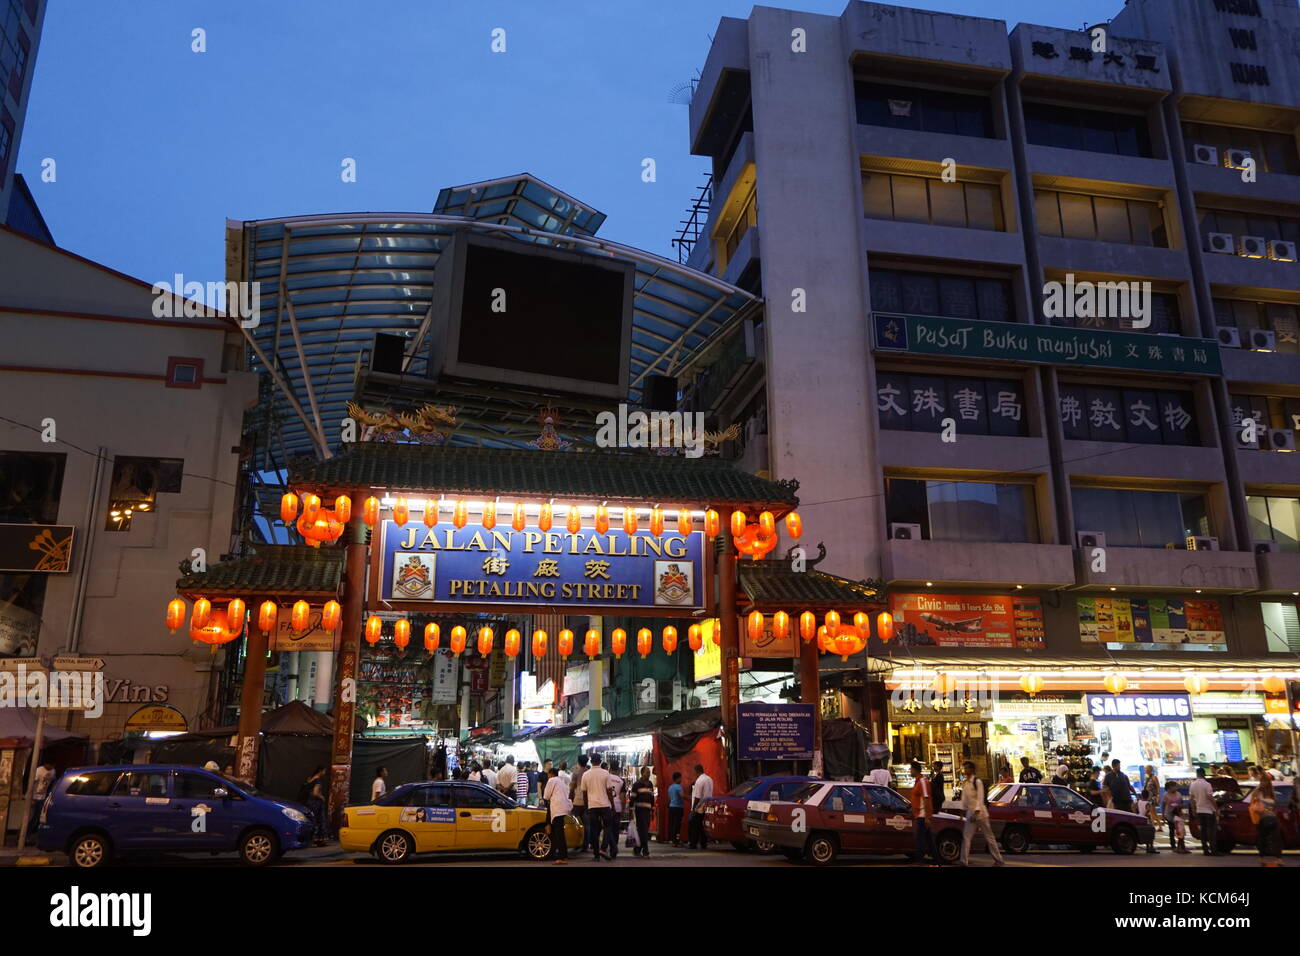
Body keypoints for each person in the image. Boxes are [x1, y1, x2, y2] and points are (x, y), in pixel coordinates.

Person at [958, 762, 1005, 867]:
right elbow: (964, 799)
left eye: (966, 768)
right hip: (970, 813)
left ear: (972, 769)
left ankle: (998, 859)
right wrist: (962, 811)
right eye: (964, 768)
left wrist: (977, 812)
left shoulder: (977, 781)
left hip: (981, 814)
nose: (965, 770)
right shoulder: (965, 783)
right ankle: (963, 861)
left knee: (989, 837)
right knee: (966, 837)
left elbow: (980, 798)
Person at [580, 758, 615, 861]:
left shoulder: (586, 775)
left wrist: (586, 806)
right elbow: (609, 791)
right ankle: (603, 848)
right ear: (600, 761)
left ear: (591, 762)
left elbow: (584, 793)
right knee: (607, 827)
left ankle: (596, 855)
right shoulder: (605, 773)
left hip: (592, 805)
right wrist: (612, 804)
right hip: (604, 804)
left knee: (594, 830)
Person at [1249, 774, 1283, 866]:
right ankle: (1277, 859)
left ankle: (1262, 858)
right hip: (1269, 818)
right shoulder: (1269, 792)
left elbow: (1252, 804)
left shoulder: (1259, 792)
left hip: (1265, 818)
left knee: (1264, 838)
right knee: (1274, 839)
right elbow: (1275, 805)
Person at [542, 767, 572, 864]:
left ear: (550, 774)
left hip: (557, 809)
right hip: (563, 809)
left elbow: (546, 796)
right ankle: (564, 856)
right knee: (561, 834)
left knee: (558, 834)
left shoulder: (552, 780)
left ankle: (561, 857)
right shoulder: (561, 781)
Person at [908, 762, 936, 864]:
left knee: (919, 839)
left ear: (915, 769)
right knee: (928, 839)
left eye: (911, 769)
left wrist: (927, 817)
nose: (910, 771)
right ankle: (936, 858)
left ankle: (919, 860)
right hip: (919, 815)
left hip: (922, 816)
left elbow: (926, 798)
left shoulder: (923, 781)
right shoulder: (918, 781)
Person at [1189, 767, 1218, 856]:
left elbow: (1191, 799)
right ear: (1204, 774)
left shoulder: (1193, 785)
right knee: (1211, 831)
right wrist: (1216, 808)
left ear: (1197, 774)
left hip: (1199, 810)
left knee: (1203, 831)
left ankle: (1205, 850)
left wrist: (1194, 810)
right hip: (1208, 810)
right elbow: (1210, 797)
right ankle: (1213, 850)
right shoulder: (1207, 784)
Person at [629, 767, 655, 858]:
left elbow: (652, 798)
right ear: (642, 773)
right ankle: (645, 851)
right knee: (643, 830)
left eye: (649, 773)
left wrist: (652, 809)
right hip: (640, 810)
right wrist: (631, 811)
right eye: (647, 772)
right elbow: (632, 798)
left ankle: (637, 849)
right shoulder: (637, 784)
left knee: (643, 830)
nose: (649, 774)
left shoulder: (650, 784)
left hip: (647, 810)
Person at [300, 766, 328, 845]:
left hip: (308, 802)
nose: (324, 773)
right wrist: (321, 797)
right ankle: (318, 840)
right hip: (316, 803)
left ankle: (308, 838)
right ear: (320, 771)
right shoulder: (317, 781)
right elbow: (315, 793)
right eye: (324, 771)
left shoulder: (310, 779)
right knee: (318, 820)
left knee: (311, 820)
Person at [688, 763, 714, 850]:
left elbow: (697, 797)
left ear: (696, 771)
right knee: (701, 826)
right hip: (707, 805)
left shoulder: (699, 781)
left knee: (695, 826)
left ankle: (693, 844)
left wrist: (693, 809)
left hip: (699, 807)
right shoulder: (709, 779)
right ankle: (703, 843)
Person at [26, 761, 54, 837]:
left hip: (43, 796)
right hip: (35, 796)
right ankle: (24, 835)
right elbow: (32, 783)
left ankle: (30, 834)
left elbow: (52, 782)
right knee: (31, 818)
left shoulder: (53, 771)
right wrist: (31, 797)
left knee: (38, 817)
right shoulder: (39, 770)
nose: (50, 768)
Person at [570, 755, 590, 852]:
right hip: (588, 802)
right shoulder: (589, 773)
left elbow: (572, 786)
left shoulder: (576, 773)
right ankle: (586, 844)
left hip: (577, 801)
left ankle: (577, 843)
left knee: (574, 823)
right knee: (587, 825)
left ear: (578, 762)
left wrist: (570, 797)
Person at [667, 771, 686, 846]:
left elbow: (669, 798)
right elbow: (682, 796)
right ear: (677, 779)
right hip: (678, 808)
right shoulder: (679, 787)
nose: (681, 779)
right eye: (680, 778)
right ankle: (676, 841)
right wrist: (690, 798)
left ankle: (672, 839)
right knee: (677, 824)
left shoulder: (670, 787)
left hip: (671, 807)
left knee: (672, 824)